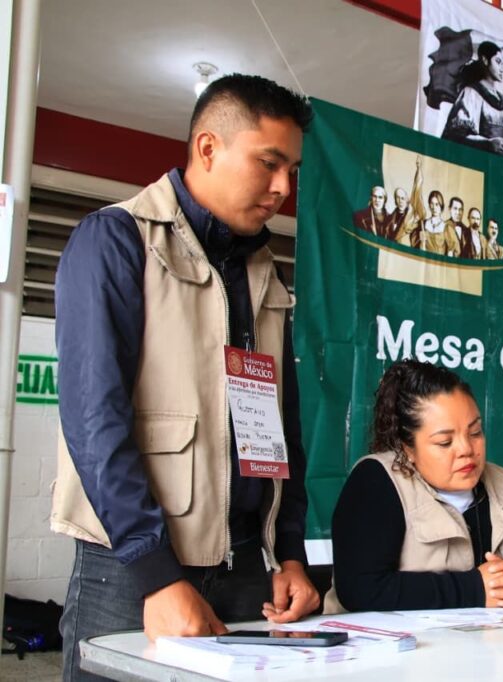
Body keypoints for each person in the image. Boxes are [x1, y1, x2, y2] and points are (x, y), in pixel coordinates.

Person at [52, 74, 320, 680]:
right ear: (207, 148)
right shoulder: (116, 240)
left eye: (292, 170)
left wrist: (293, 555)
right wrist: (156, 574)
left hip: (250, 572)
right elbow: (95, 420)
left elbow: (279, 432)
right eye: (269, 163)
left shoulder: (264, 272)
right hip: (134, 570)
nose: (283, 187)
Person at [331, 359, 503, 611]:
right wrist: (475, 588)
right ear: (406, 448)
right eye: (445, 442)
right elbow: (360, 589)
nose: (466, 450)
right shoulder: (377, 480)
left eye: (475, 432)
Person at [441, 41, 503, 158]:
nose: (502, 69)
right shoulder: (471, 93)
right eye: (498, 62)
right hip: (475, 164)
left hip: (498, 169)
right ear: (485, 60)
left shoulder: (502, 102)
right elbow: (455, 137)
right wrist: (488, 144)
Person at [420, 189, 460, 256]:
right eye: (432, 204)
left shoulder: (446, 227)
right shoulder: (423, 224)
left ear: (441, 206)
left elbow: (452, 252)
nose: (434, 207)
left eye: (437, 204)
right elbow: (421, 249)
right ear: (429, 205)